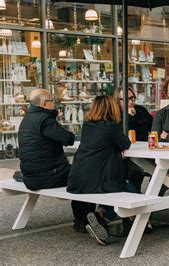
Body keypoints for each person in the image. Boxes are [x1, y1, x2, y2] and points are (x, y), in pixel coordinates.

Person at [18, 89, 87, 232]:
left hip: (31, 176)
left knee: (77, 172)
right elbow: (67, 139)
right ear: (44, 103)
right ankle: (82, 220)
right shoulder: (45, 120)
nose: (54, 103)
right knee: (83, 176)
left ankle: (85, 218)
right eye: (52, 101)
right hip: (48, 175)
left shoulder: (26, 119)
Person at [67, 95, 132, 245]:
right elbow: (125, 144)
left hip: (77, 179)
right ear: (112, 109)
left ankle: (84, 221)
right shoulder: (111, 127)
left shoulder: (87, 126)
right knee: (130, 189)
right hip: (97, 182)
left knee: (115, 186)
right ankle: (101, 218)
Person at [114, 87, 153, 191]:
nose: (130, 102)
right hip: (122, 152)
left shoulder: (141, 110)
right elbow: (117, 132)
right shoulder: (114, 114)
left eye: (132, 98)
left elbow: (153, 127)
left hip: (143, 150)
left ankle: (138, 193)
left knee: (138, 169)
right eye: (126, 99)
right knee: (130, 169)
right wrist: (128, 116)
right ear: (118, 101)